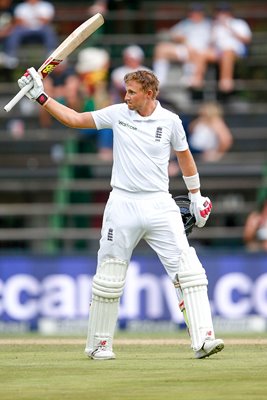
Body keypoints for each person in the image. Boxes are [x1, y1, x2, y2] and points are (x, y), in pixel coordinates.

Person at [17, 67, 224, 360]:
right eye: (125, 91)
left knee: (189, 271)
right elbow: (75, 120)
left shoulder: (171, 121)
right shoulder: (117, 114)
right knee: (109, 276)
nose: (126, 96)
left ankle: (204, 339)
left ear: (149, 94)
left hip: (159, 203)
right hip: (122, 203)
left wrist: (196, 195)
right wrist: (40, 95)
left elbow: (185, 156)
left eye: (132, 92)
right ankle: (99, 344)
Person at [153, 3, 212, 89]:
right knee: (160, 49)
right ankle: (159, 80)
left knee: (195, 52)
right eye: (192, 12)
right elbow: (173, 33)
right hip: (185, 50)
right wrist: (180, 38)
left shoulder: (208, 25)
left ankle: (189, 76)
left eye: (197, 12)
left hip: (200, 53)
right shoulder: (186, 23)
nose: (194, 14)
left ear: (202, 13)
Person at [203, 2, 252, 93]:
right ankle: (196, 80)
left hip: (236, 52)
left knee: (227, 52)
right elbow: (209, 43)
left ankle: (226, 82)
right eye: (219, 11)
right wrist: (213, 29)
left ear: (230, 12)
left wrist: (229, 28)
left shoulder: (239, 23)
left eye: (224, 11)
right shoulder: (214, 25)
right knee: (200, 53)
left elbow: (247, 40)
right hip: (218, 52)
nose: (221, 14)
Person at [4, 0, 58, 66]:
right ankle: (11, 56)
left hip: (41, 28)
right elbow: (18, 21)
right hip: (24, 28)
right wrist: (35, 19)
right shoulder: (21, 6)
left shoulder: (46, 5)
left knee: (49, 30)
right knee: (15, 31)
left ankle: (51, 54)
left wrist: (31, 19)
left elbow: (46, 20)